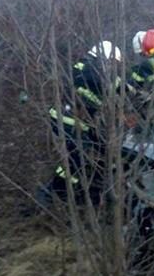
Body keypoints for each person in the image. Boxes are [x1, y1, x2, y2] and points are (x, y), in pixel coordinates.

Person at [43, 41, 123, 203]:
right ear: (105, 57)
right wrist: (126, 87)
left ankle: (98, 181)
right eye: (112, 62)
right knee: (77, 157)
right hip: (67, 120)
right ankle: (56, 191)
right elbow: (108, 85)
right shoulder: (92, 70)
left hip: (75, 120)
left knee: (102, 147)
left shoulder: (84, 66)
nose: (112, 66)